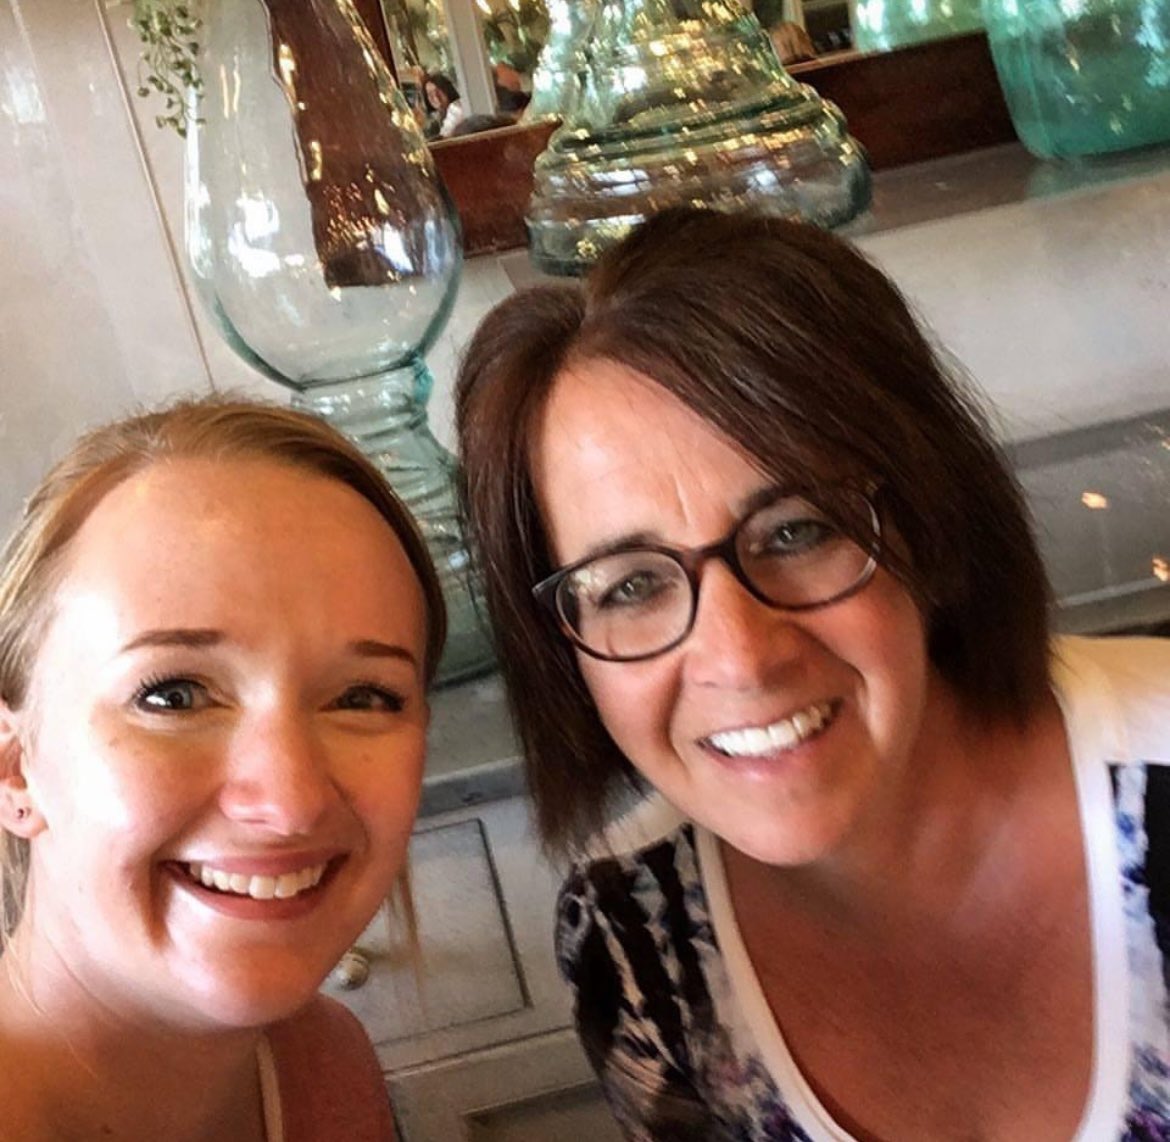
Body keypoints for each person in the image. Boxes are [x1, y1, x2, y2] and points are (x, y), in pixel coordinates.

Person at [454, 207, 1170, 1141]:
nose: (740, 657)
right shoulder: (635, 940)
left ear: (930, 517)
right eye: (630, 585)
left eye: (796, 532)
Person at [0, 396, 446, 1141]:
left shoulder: (325, 1064)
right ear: (15, 767)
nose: (291, 801)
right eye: (173, 695)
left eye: (363, 696)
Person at [424, 74, 465, 139]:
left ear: (447, 90)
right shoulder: (437, 118)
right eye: (430, 94)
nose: (435, 97)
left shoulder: (455, 108)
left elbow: (445, 134)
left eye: (438, 91)